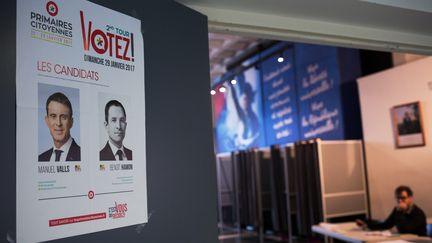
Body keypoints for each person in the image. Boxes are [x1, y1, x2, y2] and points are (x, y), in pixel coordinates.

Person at [356, 185, 426, 236]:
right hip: (403, 239)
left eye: (403, 198)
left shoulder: (418, 213)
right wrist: (367, 225)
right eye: (398, 198)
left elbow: (404, 229)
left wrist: (400, 212)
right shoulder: (397, 210)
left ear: (410, 198)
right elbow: (387, 224)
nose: (400, 200)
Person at [39, 92, 81, 162]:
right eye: (53, 116)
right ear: (47, 121)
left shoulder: (82, 155)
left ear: (71, 122)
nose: (58, 123)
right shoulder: (41, 158)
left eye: (64, 117)